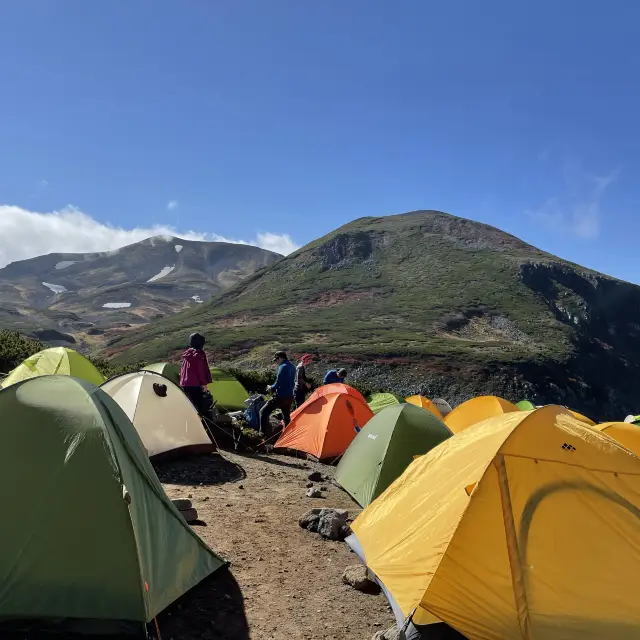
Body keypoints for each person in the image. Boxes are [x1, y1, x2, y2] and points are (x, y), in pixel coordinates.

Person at [260, 350, 296, 436]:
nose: (276, 362)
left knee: (263, 412)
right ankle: (288, 434)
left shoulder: (282, 367)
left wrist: (270, 387)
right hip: (290, 396)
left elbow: (278, 382)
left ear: (280, 358)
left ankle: (262, 434)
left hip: (281, 396)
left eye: (276, 360)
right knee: (286, 416)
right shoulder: (293, 366)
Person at [180, 332, 213, 417]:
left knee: (190, 406)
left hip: (185, 384)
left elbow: (184, 370)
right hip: (195, 384)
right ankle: (204, 427)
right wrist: (204, 384)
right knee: (200, 408)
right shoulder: (199, 354)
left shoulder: (187, 353)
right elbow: (200, 370)